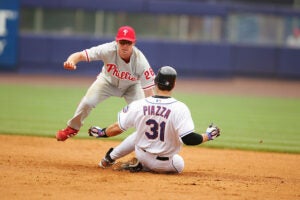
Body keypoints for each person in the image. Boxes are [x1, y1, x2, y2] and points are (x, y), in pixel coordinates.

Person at [88, 66, 221, 174]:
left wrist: (101, 132)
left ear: (155, 82)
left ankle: (108, 159)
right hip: (167, 165)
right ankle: (145, 167)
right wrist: (208, 135)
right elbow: (189, 139)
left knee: (139, 133)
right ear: (174, 85)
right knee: (179, 156)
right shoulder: (180, 108)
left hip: (142, 156)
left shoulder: (139, 104)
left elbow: (118, 128)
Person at [56, 26, 155, 141]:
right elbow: (80, 55)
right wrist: (71, 61)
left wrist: (152, 111)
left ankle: (147, 139)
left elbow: (149, 92)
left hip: (132, 86)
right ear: (116, 41)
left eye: (128, 42)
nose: (125, 46)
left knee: (142, 112)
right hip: (107, 81)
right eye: (122, 42)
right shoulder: (107, 49)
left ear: (134, 43)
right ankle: (72, 128)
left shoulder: (140, 61)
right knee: (88, 102)